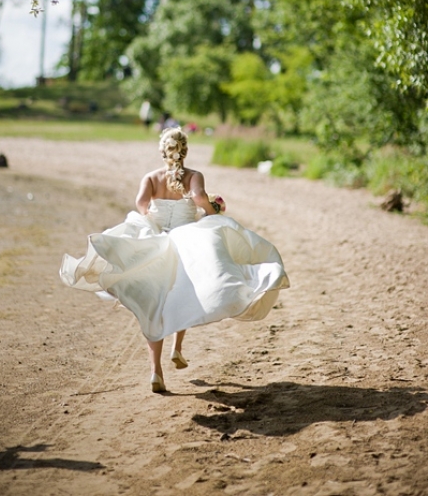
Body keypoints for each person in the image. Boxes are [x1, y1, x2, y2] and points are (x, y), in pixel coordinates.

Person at [60, 128, 289, 394]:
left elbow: (141, 203)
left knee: (154, 304)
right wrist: (213, 209)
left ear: (163, 151)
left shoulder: (151, 177)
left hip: (157, 241)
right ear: (185, 150)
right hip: (185, 240)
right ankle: (177, 348)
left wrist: (153, 219)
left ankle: (156, 371)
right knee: (186, 291)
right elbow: (201, 199)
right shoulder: (194, 176)